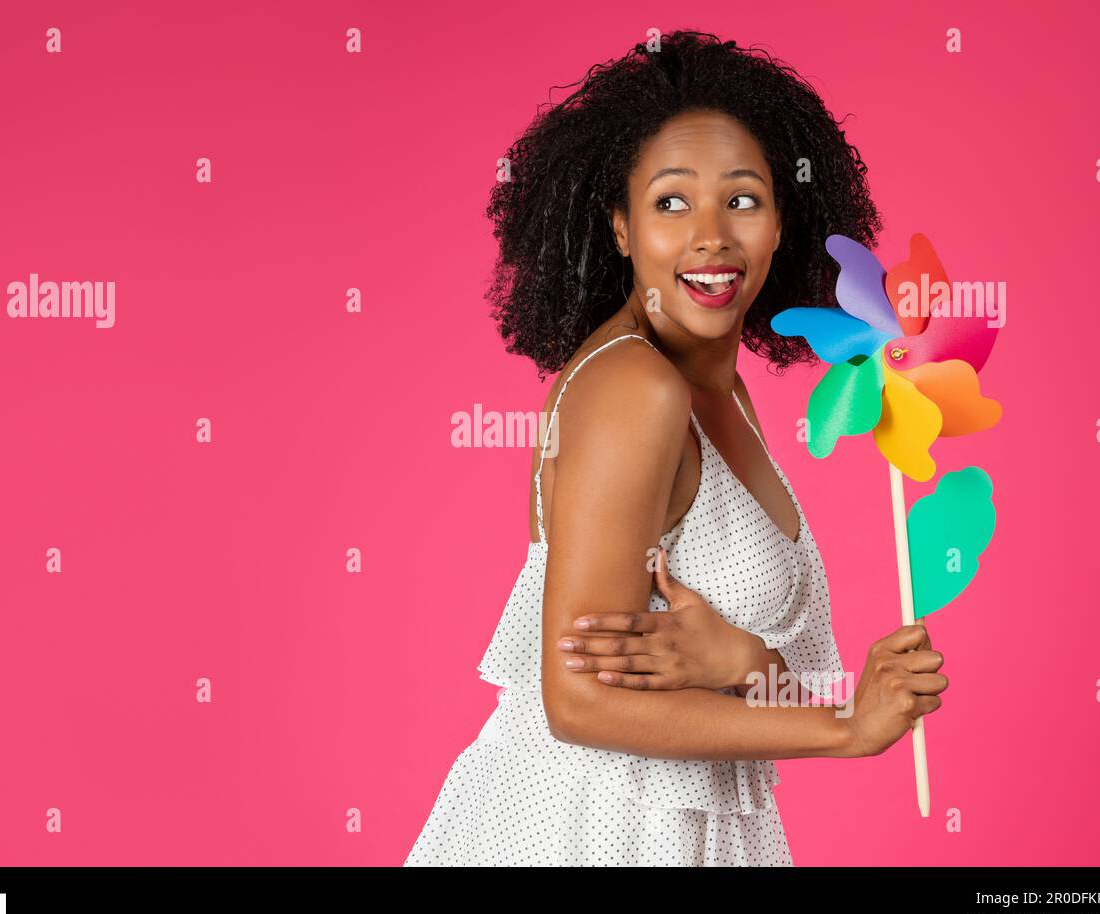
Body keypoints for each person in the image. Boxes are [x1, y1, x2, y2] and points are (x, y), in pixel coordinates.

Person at [405, 31, 947, 866]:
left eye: (742, 199)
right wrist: (844, 727)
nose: (710, 237)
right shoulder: (637, 390)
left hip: (693, 824)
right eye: (669, 202)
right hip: (587, 826)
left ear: (780, 224)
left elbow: (722, 681)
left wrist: (748, 660)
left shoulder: (716, 387)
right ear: (620, 227)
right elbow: (577, 702)